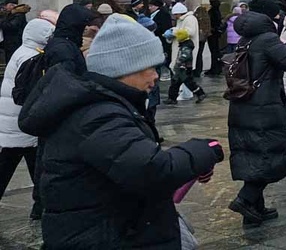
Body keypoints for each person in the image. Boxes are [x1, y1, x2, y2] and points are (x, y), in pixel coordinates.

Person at [17, 14, 223, 248]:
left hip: (109, 228)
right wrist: (203, 150)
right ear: (126, 67)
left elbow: (130, 161)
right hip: (103, 236)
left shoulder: (103, 106)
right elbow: (153, 170)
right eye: (151, 67)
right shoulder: (98, 115)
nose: (156, 76)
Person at [226, 0, 286, 226]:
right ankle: (245, 198)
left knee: (253, 156)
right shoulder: (268, 39)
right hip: (264, 108)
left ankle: (255, 210)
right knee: (268, 156)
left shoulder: (246, 38)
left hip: (243, 104)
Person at [0, 17, 52, 207]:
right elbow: (30, 91)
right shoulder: (31, 58)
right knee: (35, 165)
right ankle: (41, 206)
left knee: (11, 161)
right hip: (24, 122)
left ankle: (41, 206)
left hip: (16, 122)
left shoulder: (23, 52)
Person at [164, 26, 205, 104]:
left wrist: (179, 61)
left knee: (189, 83)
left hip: (184, 69)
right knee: (175, 83)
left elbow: (185, 55)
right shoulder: (185, 45)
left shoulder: (186, 46)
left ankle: (200, 94)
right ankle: (172, 98)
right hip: (181, 68)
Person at [205, 0, 224, 76]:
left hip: (212, 33)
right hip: (215, 33)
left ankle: (215, 68)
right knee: (215, 51)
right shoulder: (217, 11)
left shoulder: (212, 12)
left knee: (213, 51)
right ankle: (216, 68)